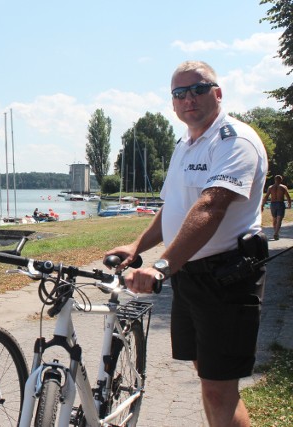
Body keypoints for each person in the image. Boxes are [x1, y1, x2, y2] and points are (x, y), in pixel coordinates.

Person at [105, 61, 268, 427]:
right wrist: (137, 247)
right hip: (189, 275)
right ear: (173, 103)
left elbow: (211, 205)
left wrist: (161, 265)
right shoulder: (186, 143)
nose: (188, 99)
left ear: (218, 93)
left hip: (226, 276)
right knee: (211, 379)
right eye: (179, 93)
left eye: (198, 89)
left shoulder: (235, 141)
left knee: (217, 386)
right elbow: (174, 208)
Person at [261, 175, 291, 240]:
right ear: (281, 180)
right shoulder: (283, 187)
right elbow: (288, 196)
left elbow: (266, 197)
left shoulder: (270, 187)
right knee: (279, 219)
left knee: (274, 219)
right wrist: (289, 203)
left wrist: (262, 205)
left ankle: (276, 232)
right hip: (280, 203)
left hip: (272, 204)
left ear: (275, 179)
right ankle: (276, 233)